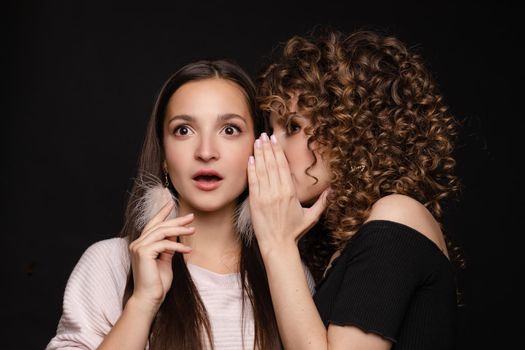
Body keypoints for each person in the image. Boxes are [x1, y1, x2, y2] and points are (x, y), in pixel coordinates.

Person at [46, 59, 305, 350]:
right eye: (184, 130)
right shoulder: (110, 264)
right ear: (164, 156)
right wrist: (142, 303)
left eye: (230, 130)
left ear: (259, 147)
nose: (206, 152)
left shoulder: (287, 271)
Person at [248, 29, 461, 349]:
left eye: (292, 127)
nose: (271, 147)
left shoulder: (398, 215)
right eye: (271, 129)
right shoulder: (345, 248)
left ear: (351, 130)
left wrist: (277, 244)